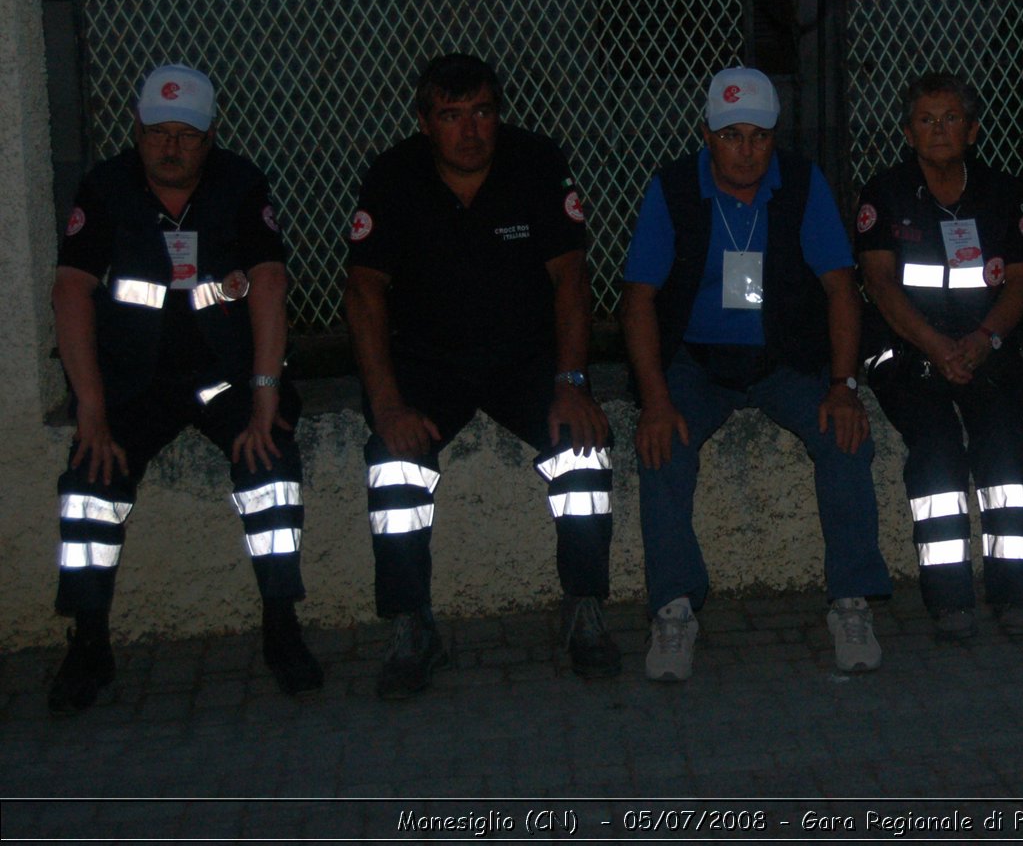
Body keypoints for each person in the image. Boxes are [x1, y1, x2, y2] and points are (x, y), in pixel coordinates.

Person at [49, 64, 322, 713]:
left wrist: (264, 398)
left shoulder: (239, 182)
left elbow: (269, 283)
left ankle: (281, 625)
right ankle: (88, 640)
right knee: (89, 484)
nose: (171, 148)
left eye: (188, 135)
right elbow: (71, 291)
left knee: (272, 466)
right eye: (159, 133)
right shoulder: (107, 187)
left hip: (223, 378)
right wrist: (90, 408)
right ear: (137, 130)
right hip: (135, 383)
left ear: (210, 137)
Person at [344, 53, 618, 696]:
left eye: (483, 113)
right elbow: (363, 292)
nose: (470, 131)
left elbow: (571, 279)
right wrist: (386, 403)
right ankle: (412, 623)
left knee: (584, 453)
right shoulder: (394, 175)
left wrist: (572, 383)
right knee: (392, 463)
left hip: (525, 360)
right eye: (450, 116)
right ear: (424, 123)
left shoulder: (537, 162)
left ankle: (583, 606)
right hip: (428, 364)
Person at [620, 66, 893, 681]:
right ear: (709, 135)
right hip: (698, 361)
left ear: (775, 137)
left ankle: (850, 600)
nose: (746, 150)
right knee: (661, 448)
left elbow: (840, 288)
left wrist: (843, 386)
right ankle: (673, 608)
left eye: (759, 136)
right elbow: (638, 298)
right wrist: (656, 398)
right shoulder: (671, 188)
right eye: (731, 135)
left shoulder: (800, 184)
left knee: (847, 437)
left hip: (783, 359)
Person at [855, 72, 1023, 639]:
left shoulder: (1004, 192)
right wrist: (936, 347)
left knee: (1006, 448)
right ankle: (950, 599)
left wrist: (983, 342)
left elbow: (1021, 282)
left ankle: (1015, 593)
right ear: (909, 133)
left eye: (951, 118)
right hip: (910, 355)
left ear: (973, 129)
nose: (939, 130)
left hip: (986, 352)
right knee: (936, 453)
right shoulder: (883, 194)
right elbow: (880, 285)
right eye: (927, 120)